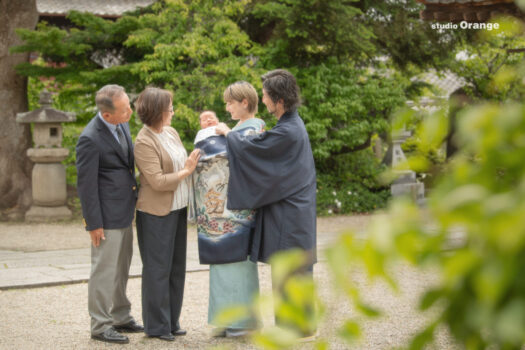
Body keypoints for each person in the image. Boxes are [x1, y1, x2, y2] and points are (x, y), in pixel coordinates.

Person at [215, 70, 317, 338]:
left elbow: (255, 149)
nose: (263, 99)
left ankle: (294, 328)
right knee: (294, 268)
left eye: (266, 96)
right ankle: (299, 326)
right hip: (295, 209)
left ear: (279, 100)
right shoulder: (292, 125)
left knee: (291, 268)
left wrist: (229, 134)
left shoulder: (288, 131)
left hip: (291, 213)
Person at [193, 82, 265, 338]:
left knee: (238, 265)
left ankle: (244, 321)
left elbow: (250, 157)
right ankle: (225, 319)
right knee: (222, 265)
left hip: (238, 211)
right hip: (221, 211)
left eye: (230, 102)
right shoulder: (237, 129)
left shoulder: (256, 128)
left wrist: (226, 135)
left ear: (245, 102)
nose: (226, 107)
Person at [76, 84, 144, 345]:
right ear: (107, 115)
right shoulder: (89, 139)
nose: (131, 111)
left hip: (124, 210)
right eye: (126, 109)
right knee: (104, 270)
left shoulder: (122, 124)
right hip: (105, 216)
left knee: (121, 268)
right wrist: (93, 223)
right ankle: (101, 325)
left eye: (129, 105)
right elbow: (86, 185)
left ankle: (120, 315)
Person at [133, 87, 200, 342]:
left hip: (178, 208)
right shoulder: (143, 141)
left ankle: (172, 321)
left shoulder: (170, 133)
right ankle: (157, 326)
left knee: (176, 267)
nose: (173, 112)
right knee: (157, 269)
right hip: (155, 213)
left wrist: (189, 167)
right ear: (157, 111)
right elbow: (158, 182)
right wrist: (186, 171)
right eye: (170, 108)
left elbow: (182, 163)